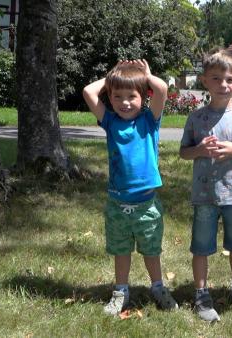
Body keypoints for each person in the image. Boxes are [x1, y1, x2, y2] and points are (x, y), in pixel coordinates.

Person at [83, 59, 178, 316]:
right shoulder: (110, 122)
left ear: (143, 97)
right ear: (111, 98)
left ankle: (157, 287)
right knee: (121, 250)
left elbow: (162, 90)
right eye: (117, 96)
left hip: (147, 204)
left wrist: (146, 75)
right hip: (117, 204)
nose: (124, 102)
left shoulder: (150, 120)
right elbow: (89, 92)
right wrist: (112, 77)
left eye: (131, 96)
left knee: (151, 250)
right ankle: (121, 291)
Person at [179, 49, 232, 322]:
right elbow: (184, 152)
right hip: (204, 195)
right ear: (205, 81)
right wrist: (200, 150)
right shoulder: (196, 118)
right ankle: (201, 293)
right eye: (216, 79)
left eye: (230, 79)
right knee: (201, 246)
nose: (223, 84)